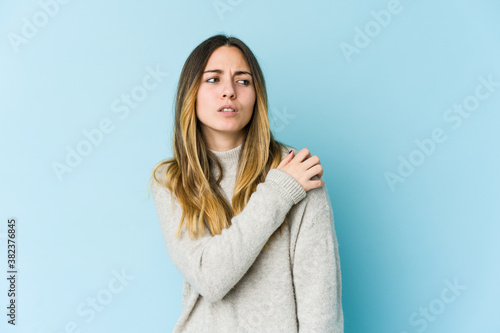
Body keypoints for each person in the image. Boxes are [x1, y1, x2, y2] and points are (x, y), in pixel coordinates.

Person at [149, 34, 343, 332]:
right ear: (192, 93)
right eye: (213, 79)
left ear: (257, 95)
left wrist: (286, 182)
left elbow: (321, 305)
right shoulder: (171, 181)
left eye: (243, 81)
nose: (229, 91)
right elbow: (211, 278)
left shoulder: (297, 171)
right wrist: (279, 190)